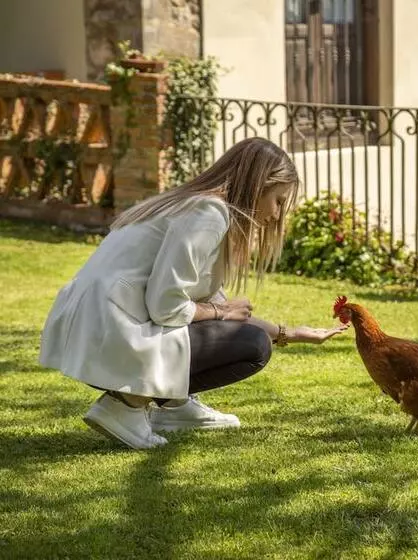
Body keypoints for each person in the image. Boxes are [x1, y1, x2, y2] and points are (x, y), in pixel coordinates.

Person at [39, 138, 349, 449]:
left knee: (248, 335)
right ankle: (125, 406)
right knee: (253, 345)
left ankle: (175, 406)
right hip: (109, 335)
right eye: (279, 201)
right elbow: (167, 307)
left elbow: (211, 302)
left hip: (95, 331)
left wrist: (288, 333)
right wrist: (222, 314)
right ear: (258, 185)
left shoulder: (199, 207)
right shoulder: (208, 214)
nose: (278, 215)